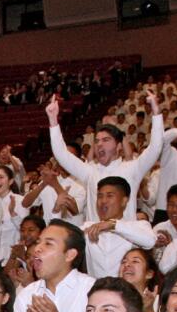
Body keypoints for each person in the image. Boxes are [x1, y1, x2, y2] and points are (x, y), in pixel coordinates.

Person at [47, 92, 163, 223]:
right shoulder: (90, 172)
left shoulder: (132, 169)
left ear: (119, 146)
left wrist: (157, 113)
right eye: (97, 141)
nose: (99, 144)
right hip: (94, 240)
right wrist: (53, 120)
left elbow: (155, 147)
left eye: (106, 140)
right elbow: (61, 154)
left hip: (124, 241)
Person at [6, 221, 94, 312]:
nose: (37, 249)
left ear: (69, 255)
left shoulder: (92, 291)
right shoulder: (28, 294)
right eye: (38, 242)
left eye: (48, 244)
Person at [81, 178, 157, 279]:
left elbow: (150, 241)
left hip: (127, 292)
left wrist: (113, 225)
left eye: (109, 196)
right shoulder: (88, 227)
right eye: (100, 196)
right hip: (97, 291)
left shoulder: (137, 226)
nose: (103, 201)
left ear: (124, 201)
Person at [118, 246, 161, 312]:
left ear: (149, 274)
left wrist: (148, 311)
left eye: (135, 261)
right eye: (124, 262)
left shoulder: (159, 302)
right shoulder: (110, 298)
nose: (126, 265)